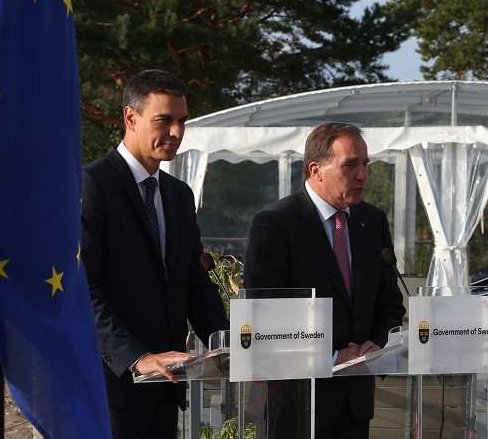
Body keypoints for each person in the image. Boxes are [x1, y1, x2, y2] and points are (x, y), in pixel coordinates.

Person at [81, 69, 229, 439]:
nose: (177, 132)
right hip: (110, 389)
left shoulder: (179, 196)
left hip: (166, 389)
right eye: (164, 120)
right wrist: (136, 357)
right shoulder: (91, 185)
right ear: (130, 117)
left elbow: (194, 283)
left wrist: (228, 346)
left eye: (182, 121)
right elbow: (83, 286)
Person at [243, 122, 406, 439]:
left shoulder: (372, 220)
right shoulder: (274, 224)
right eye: (351, 164)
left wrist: (376, 343)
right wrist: (330, 358)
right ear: (316, 169)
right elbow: (264, 317)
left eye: (365, 164)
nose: (362, 175)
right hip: (293, 402)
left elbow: (390, 301)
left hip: (355, 401)